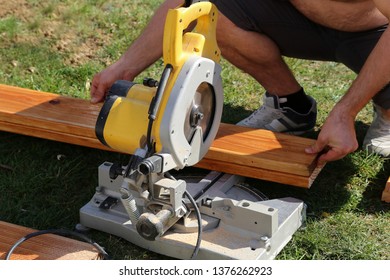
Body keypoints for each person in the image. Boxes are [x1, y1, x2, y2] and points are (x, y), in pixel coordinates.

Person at [90, 0, 390, 165]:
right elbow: (185, 1)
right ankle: (291, 107)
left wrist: (345, 111)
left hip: (377, 33)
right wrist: (125, 66)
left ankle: (387, 114)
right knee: (213, 9)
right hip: (306, 19)